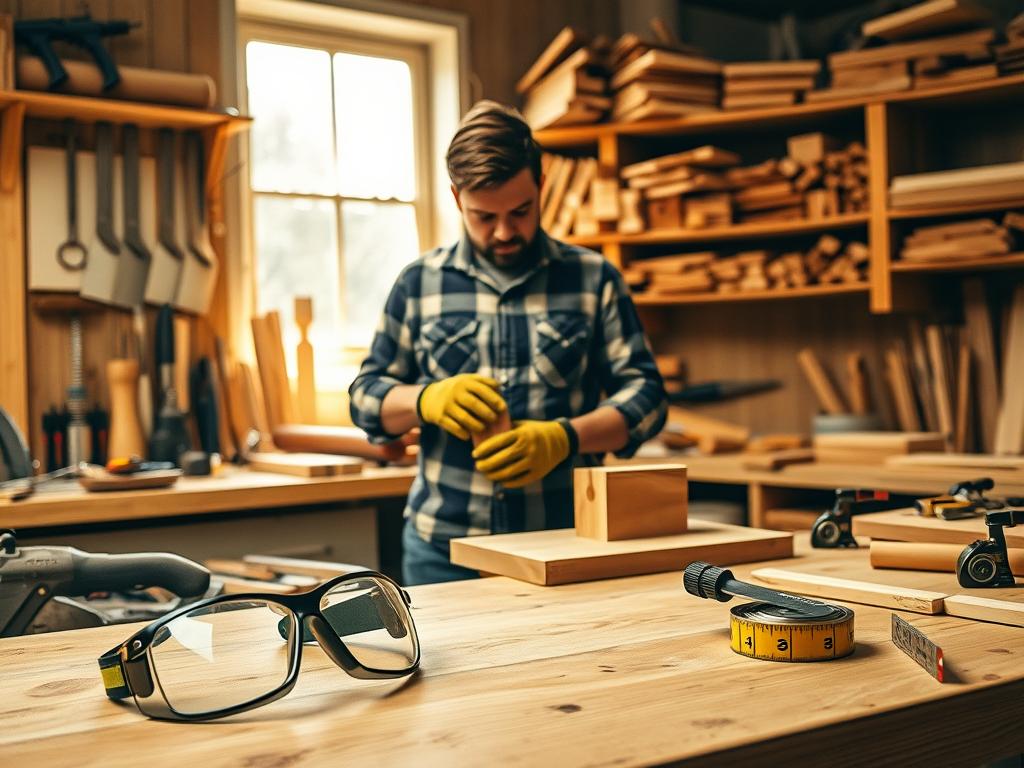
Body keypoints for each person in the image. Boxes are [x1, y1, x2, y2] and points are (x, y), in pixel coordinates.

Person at [349, 100, 667, 586]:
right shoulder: (418, 283)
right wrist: (425, 399)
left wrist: (566, 437)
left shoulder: (593, 278)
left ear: (541, 187)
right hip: (443, 551)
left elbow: (646, 398)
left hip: (564, 543)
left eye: (520, 212)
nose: (503, 231)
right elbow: (365, 398)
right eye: (483, 216)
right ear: (457, 199)